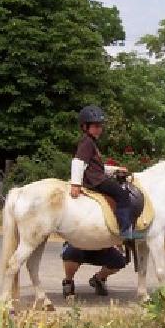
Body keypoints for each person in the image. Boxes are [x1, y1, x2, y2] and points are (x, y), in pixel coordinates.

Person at [62, 105, 132, 297]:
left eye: (100, 125)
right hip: (95, 182)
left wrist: (116, 169)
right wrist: (75, 184)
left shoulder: (91, 143)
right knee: (123, 195)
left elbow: (96, 167)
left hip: (97, 177)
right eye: (95, 126)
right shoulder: (87, 143)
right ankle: (125, 229)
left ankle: (100, 276)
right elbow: (78, 163)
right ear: (85, 126)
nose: (99, 129)